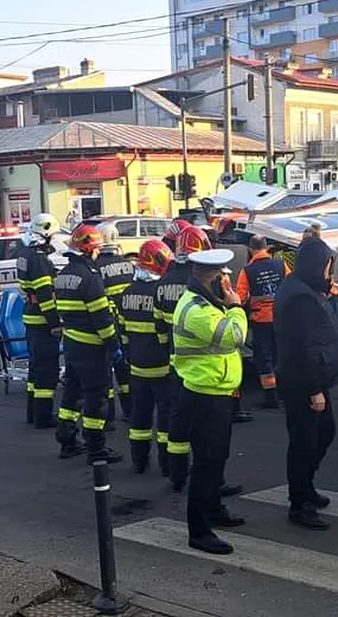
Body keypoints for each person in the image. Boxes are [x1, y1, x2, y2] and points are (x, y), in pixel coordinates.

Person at [174, 248, 248, 555]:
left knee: (218, 458)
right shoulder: (198, 309)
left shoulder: (204, 302)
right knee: (206, 463)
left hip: (217, 392)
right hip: (204, 395)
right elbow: (235, 337)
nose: (228, 286)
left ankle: (214, 509)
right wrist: (236, 307)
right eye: (225, 280)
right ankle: (199, 530)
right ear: (213, 279)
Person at [273, 236, 338, 530]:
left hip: (311, 377)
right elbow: (302, 347)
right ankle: (299, 502)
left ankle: (306, 486)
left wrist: (326, 290)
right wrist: (314, 390)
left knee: (324, 432)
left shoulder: (301, 287)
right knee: (304, 442)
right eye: (326, 267)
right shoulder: (299, 297)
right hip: (303, 381)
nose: (328, 273)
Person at [53, 225, 122, 463]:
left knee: (71, 395)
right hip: (93, 349)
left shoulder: (63, 276)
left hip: (72, 345)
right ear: (89, 249)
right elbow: (101, 317)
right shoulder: (90, 278)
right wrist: (113, 345)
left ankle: (67, 441)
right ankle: (96, 449)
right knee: (96, 399)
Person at [155, 225, 210, 489]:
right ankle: (209, 479)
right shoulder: (200, 285)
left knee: (176, 420)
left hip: (174, 363)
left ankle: (175, 473)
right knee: (203, 427)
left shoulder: (162, 282)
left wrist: (170, 352)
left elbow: (159, 328)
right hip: (200, 368)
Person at [119, 239, 175, 474]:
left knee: (139, 418)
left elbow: (122, 333)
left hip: (137, 368)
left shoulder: (126, 293)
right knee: (165, 419)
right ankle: (166, 464)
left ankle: (139, 462)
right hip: (161, 368)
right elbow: (166, 330)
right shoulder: (159, 293)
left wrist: (129, 357)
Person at [16, 213, 62, 428]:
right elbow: (45, 294)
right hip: (42, 320)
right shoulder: (39, 259)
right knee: (47, 371)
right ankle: (44, 417)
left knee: (35, 369)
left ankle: (32, 413)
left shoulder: (26, 253)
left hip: (30, 315)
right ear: (46, 233)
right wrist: (54, 324)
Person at [235, 235, 289, 410]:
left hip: (261, 320)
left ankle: (270, 396)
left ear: (251, 249)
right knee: (281, 354)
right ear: (266, 248)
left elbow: (240, 298)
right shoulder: (281, 265)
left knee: (264, 357)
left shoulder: (248, 271)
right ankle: (284, 392)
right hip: (281, 318)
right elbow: (290, 287)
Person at [95, 224, 137, 421]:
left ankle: (108, 416)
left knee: (105, 372)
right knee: (125, 370)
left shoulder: (95, 268)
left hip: (108, 324)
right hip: (129, 324)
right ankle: (130, 411)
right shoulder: (128, 264)